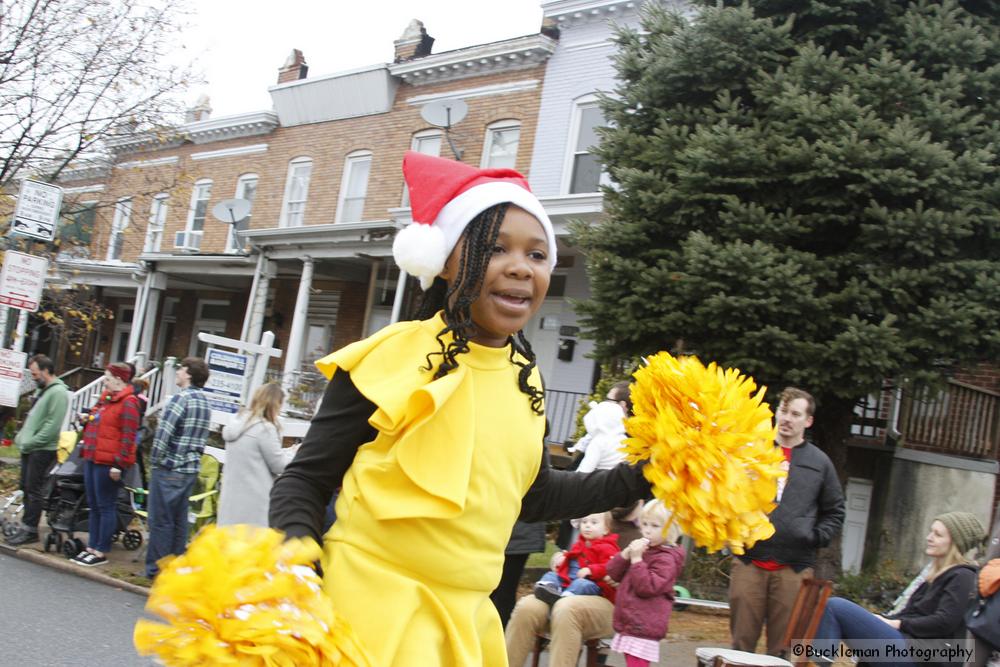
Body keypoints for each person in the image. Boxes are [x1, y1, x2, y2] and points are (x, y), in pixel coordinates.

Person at [269, 151, 650, 667]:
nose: (520, 266)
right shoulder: (393, 354)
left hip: (467, 622)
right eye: (497, 248)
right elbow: (305, 479)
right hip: (369, 613)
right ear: (449, 260)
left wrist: (645, 477)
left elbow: (532, 496)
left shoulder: (526, 376)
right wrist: (300, 570)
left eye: (538, 256)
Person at [728, 386, 845, 657]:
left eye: (795, 413)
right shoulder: (752, 452)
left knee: (782, 650)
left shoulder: (820, 463)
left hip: (793, 568)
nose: (787, 419)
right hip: (749, 561)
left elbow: (835, 511)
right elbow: (726, 494)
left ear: (808, 420)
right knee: (740, 646)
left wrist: (813, 536)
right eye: (783, 411)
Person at [812, 512, 985, 667]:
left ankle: (812, 664)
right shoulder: (936, 575)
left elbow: (944, 622)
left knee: (835, 607)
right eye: (931, 531)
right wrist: (883, 619)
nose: (929, 537)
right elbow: (912, 614)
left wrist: (896, 623)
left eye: (938, 534)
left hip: (925, 655)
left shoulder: (963, 576)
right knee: (844, 620)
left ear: (955, 543)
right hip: (911, 647)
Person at [144, 356, 211, 579]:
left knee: (161, 521)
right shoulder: (204, 402)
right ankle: (175, 567)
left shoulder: (179, 399)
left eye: (181, 369)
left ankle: (157, 569)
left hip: (170, 467)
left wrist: (155, 461)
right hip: (190, 468)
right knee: (180, 521)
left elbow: (163, 435)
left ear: (189, 374)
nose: (178, 372)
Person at [606, 499, 686, 667]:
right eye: (645, 524)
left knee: (637, 664)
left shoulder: (666, 558)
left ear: (670, 530)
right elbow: (613, 572)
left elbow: (647, 587)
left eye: (655, 526)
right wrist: (626, 554)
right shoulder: (644, 549)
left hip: (645, 624)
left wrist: (636, 560)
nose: (647, 531)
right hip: (631, 620)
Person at [74, 362, 139, 566]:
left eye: (108, 377)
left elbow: (128, 437)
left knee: (105, 505)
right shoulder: (106, 400)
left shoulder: (129, 402)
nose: (105, 381)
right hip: (93, 456)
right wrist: (87, 419)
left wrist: (119, 465)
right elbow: (98, 421)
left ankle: (101, 550)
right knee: (93, 505)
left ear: (119, 379)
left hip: (109, 462)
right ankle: (91, 546)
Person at [5, 354, 70, 546]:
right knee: (26, 487)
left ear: (45, 371)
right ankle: (26, 526)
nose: (33, 378)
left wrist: (32, 442)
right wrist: (21, 438)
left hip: (42, 449)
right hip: (31, 448)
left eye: (35, 374)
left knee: (35, 490)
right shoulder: (45, 391)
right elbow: (35, 419)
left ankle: (31, 530)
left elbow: (52, 425)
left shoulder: (58, 392)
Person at [217, 383, 293, 527]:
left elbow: (257, 455)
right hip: (255, 502)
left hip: (231, 499)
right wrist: (294, 455)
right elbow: (279, 465)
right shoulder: (265, 429)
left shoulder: (238, 423)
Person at [534, 511, 619, 605]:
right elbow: (572, 556)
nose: (587, 525)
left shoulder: (607, 547)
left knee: (581, 584)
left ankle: (566, 597)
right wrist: (563, 559)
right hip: (569, 579)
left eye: (594, 522)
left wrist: (591, 570)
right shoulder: (579, 544)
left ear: (606, 530)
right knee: (552, 575)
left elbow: (611, 566)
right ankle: (547, 588)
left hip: (593, 584)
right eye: (584, 522)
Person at [492, 520, 547, 627]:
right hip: (506, 533)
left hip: (517, 534)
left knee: (503, 594)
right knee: (495, 593)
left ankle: (501, 636)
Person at [575, 382, 631, 474]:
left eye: (608, 399)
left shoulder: (603, 438)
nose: (604, 403)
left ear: (622, 405)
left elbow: (581, 474)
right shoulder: (628, 438)